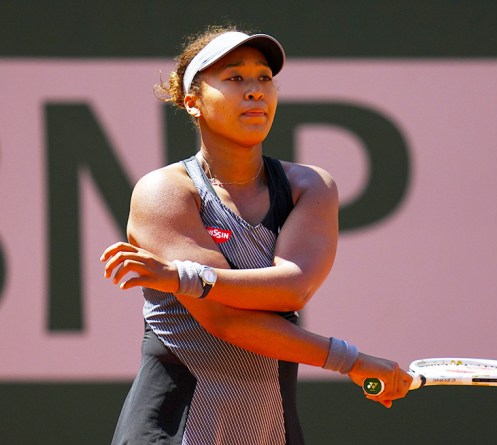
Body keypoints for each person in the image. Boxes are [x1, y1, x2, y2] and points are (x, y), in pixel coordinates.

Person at [100, 24, 411, 445]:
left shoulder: (311, 186)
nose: (255, 91)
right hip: (171, 430)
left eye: (264, 78)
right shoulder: (164, 192)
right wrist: (350, 361)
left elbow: (291, 289)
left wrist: (180, 277)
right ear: (192, 101)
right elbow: (226, 320)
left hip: (272, 431)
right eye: (234, 78)